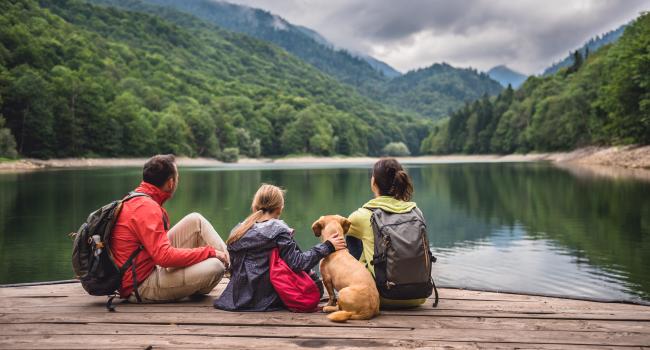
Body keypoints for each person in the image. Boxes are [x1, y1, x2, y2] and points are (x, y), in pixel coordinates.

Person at [110, 154, 229, 303]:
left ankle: (235, 268)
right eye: (177, 177)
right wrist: (209, 252)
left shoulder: (137, 198)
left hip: (147, 265)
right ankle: (234, 272)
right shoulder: (147, 208)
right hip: (140, 285)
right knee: (215, 266)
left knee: (195, 220)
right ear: (171, 183)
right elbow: (164, 257)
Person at [214, 184, 346, 311]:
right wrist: (327, 246)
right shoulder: (279, 231)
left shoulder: (238, 230)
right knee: (314, 284)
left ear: (254, 206)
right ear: (280, 208)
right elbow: (298, 263)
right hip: (267, 299)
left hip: (237, 297)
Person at [346, 158, 427, 308]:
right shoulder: (416, 211)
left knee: (350, 237)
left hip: (380, 296)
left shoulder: (362, 215)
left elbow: (338, 236)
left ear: (373, 182)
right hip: (420, 295)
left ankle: (353, 288)